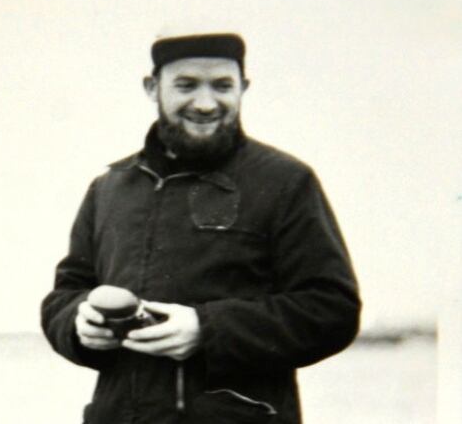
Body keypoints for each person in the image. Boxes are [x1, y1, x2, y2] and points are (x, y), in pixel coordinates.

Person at [40, 33, 361, 424]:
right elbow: (65, 295)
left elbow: (333, 309)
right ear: (152, 87)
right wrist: (78, 323)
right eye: (186, 85)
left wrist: (208, 330)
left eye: (222, 85)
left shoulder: (285, 181)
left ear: (243, 87)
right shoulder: (109, 188)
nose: (206, 103)